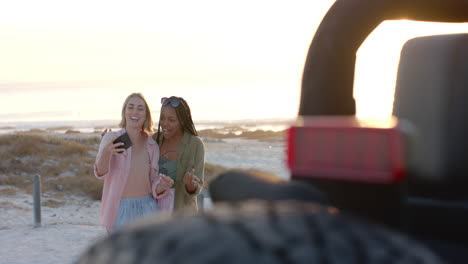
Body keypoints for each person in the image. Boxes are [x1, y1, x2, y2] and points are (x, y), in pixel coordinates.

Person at [94, 93, 174, 232]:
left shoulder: (151, 144)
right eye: (130, 107)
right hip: (120, 209)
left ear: (146, 115)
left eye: (140, 108)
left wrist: (162, 185)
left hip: (148, 208)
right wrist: (107, 152)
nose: (135, 112)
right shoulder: (111, 138)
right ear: (124, 112)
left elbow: (153, 180)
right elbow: (100, 173)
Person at [154, 96, 205, 213]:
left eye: (171, 120)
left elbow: (198, 185)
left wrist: (190, 184)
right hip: (154, 213)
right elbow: (134, 143)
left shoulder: (195, 144)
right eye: (162, 118)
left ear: (182, 121)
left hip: (182, 215)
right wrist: (111, 138)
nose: (165, 123)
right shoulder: (154, 141)